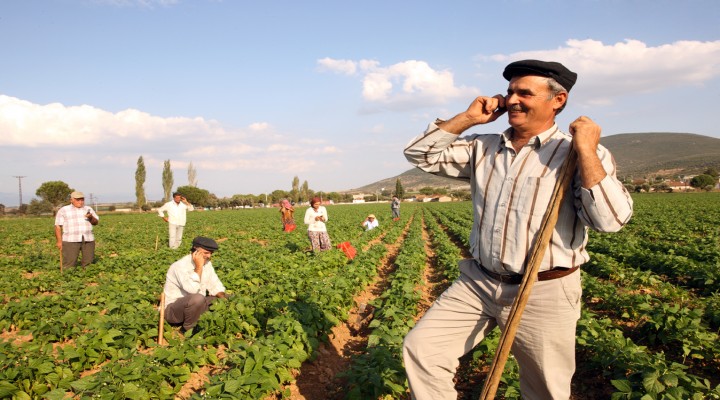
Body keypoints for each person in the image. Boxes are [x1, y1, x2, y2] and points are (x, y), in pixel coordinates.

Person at [402, 60, 633, 399]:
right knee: (422, 350)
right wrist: (468, 118)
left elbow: (610, 221)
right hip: (479, 282)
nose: (512, 100)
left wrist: (585, 149)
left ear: (558, 100)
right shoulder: (483, 148)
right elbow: (419, 154)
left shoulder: (577, 155)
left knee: (545, 390)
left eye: (525, 93)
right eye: (510, 92)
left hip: (545, 288)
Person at [163, 236, 226, 335]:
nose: (209, 256)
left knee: (225, 297)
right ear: (195, 251)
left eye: (211, 253)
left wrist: (224, 298)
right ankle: (187, 329)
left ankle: (201, 321)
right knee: (197, 299)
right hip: (173, 311)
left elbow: (215, 284)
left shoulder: (207, 264)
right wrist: (198, 267)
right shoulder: (179, 266)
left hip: (195, 307)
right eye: (206, 253)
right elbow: (192, 289)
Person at [54, 191, 100, 269]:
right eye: (78, 200)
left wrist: (91, 217)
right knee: (69, 263)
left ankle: (88, 278)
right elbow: (58, 226)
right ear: (71, 200)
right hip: (70, 240)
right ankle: (67, 278)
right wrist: (59, 241)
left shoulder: (88, 209)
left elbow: (95, 222)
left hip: (88, 239)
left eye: (82, 199)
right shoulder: (64, 210)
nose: (80, 202)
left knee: (89, 262)